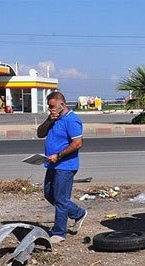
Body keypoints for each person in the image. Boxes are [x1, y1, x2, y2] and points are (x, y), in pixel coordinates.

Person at [37, 91, 87, 244]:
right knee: (49, 194)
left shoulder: (72, 120)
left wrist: (58, 156)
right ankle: (78, 213)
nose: (50, 109)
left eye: (52, 106)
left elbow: (77, 143)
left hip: (65, 165)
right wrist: (48, 120)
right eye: (48, 106)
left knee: (61, 198)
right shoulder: (53, 118)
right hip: (52, 163)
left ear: (62, 105)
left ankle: (59, 232)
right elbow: (40, 133)